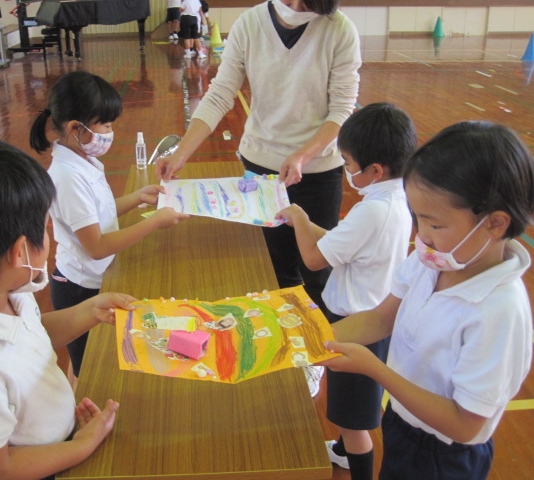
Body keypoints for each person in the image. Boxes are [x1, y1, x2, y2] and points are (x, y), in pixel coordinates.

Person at [156, 0, 361, 395]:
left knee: (318, 270)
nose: (296, 5)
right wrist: (181, 152)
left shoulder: (339, 30)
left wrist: (303, 155)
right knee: (277, 267)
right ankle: (287, 349)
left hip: (318, 171)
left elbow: (342, 110)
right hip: (261, 168)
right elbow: (220, 94)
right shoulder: (250, 24)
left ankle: (316, 352)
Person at [319, 121, 534, 479]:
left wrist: (375, 369)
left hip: (444, 455)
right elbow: (380, 318)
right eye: (417, 219)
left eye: (434, 224)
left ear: (495, 223)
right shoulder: (431, 261)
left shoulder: (499, 311)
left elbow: (466, 425)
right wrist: (310, 338)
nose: (423, 237)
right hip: (404, 420)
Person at [0, 138, 136, 480]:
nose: (48, 236)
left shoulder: (5, 292)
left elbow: (33, 335)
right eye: (45, 229)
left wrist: (91, 310)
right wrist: (81, 446)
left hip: (56, 440)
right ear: (20, 252)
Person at [277, 103, 416, 480]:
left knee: (353, 421)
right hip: (371, 317)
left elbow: (313, 260)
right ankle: (341, 452)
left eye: (349, 163)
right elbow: (340, 244)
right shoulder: (395, 198)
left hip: (358, 324)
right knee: (347, 406)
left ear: (375, 170)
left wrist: (300, 219)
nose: (346, 170)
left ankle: (358, 469)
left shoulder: (372, 211)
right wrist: (303, 224)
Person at [30, 71, 189, 378]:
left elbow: (98, 214)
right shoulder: (68, 177)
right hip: (79, 288)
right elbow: (97, 246)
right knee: (87, 370)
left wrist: (137, 198)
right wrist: (154, 222)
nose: (110, 132)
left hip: (95, 279)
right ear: (76, 128)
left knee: (87, 361)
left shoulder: (82, 160)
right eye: (106, 125)